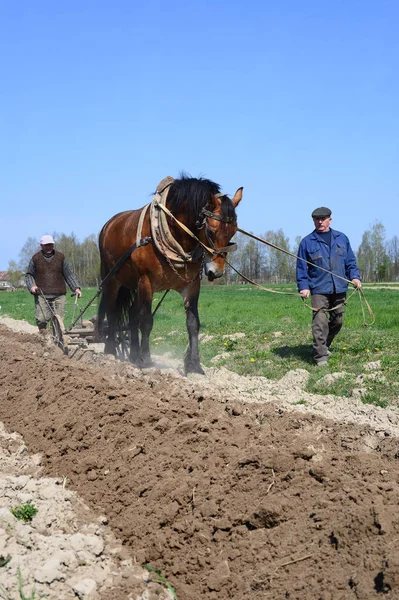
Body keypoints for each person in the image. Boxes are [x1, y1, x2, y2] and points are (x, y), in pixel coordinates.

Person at [296, 207, 361, 367]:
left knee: (338, 321)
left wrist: (354, 277)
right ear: (313, 221)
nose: (320, 221)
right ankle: (320, 357)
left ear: (330, 220)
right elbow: (301, 267)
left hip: (339, 287)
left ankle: (324, 345)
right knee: (319, 323)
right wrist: (303, 287)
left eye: (323, 219)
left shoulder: (342, 238)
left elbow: (350, 261)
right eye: (317, 219)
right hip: (318, 288)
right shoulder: (307, 242)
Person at [25, 235, 82, 334]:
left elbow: (69, 275)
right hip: (42, 295)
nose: (49, 247)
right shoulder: (36, 258)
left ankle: (56, 340)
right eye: (46, 245)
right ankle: (43, 338)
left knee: (58, 321)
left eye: (50, 245)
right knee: (41, 319)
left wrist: (76, 288)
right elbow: (29, 275)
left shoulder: (61, 257)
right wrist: (32, 286)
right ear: (41, 245)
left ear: (53, 245)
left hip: (59, 294)